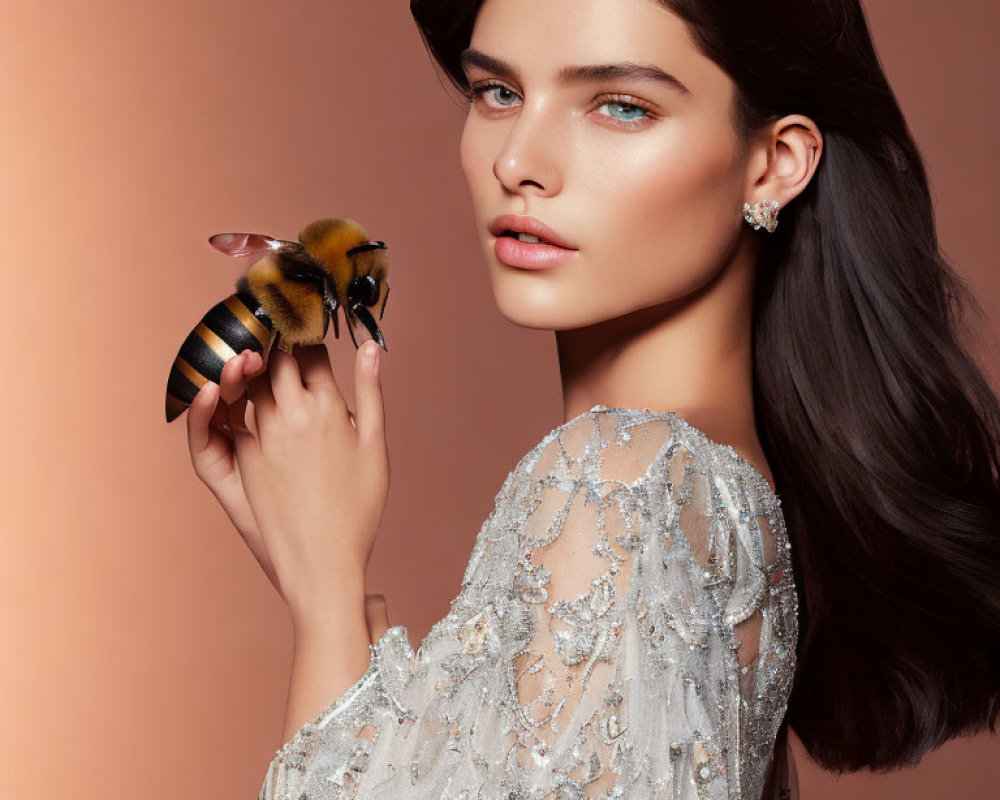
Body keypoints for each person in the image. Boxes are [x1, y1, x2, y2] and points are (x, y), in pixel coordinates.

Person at [183, 1, 1000, 798]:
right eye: (498, 93)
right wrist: (312, 571)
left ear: (775, 163)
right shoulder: (721, 497)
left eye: (620, 105)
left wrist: (327, 594)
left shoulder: (618, 483)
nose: (518, 162)